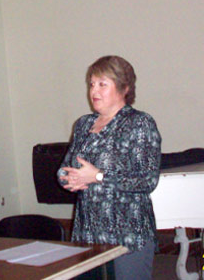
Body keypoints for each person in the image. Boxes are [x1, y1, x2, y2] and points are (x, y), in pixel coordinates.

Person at [58, 55, 161, 279]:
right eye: (92, 84)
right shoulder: (84, 123)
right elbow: (66, 166)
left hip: (127, 234)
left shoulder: (140, 123)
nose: (94, 90)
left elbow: (147, 180)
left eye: (102, 84)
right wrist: (68, 178)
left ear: (124, 88)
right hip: (88, 232)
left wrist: (98, 176)